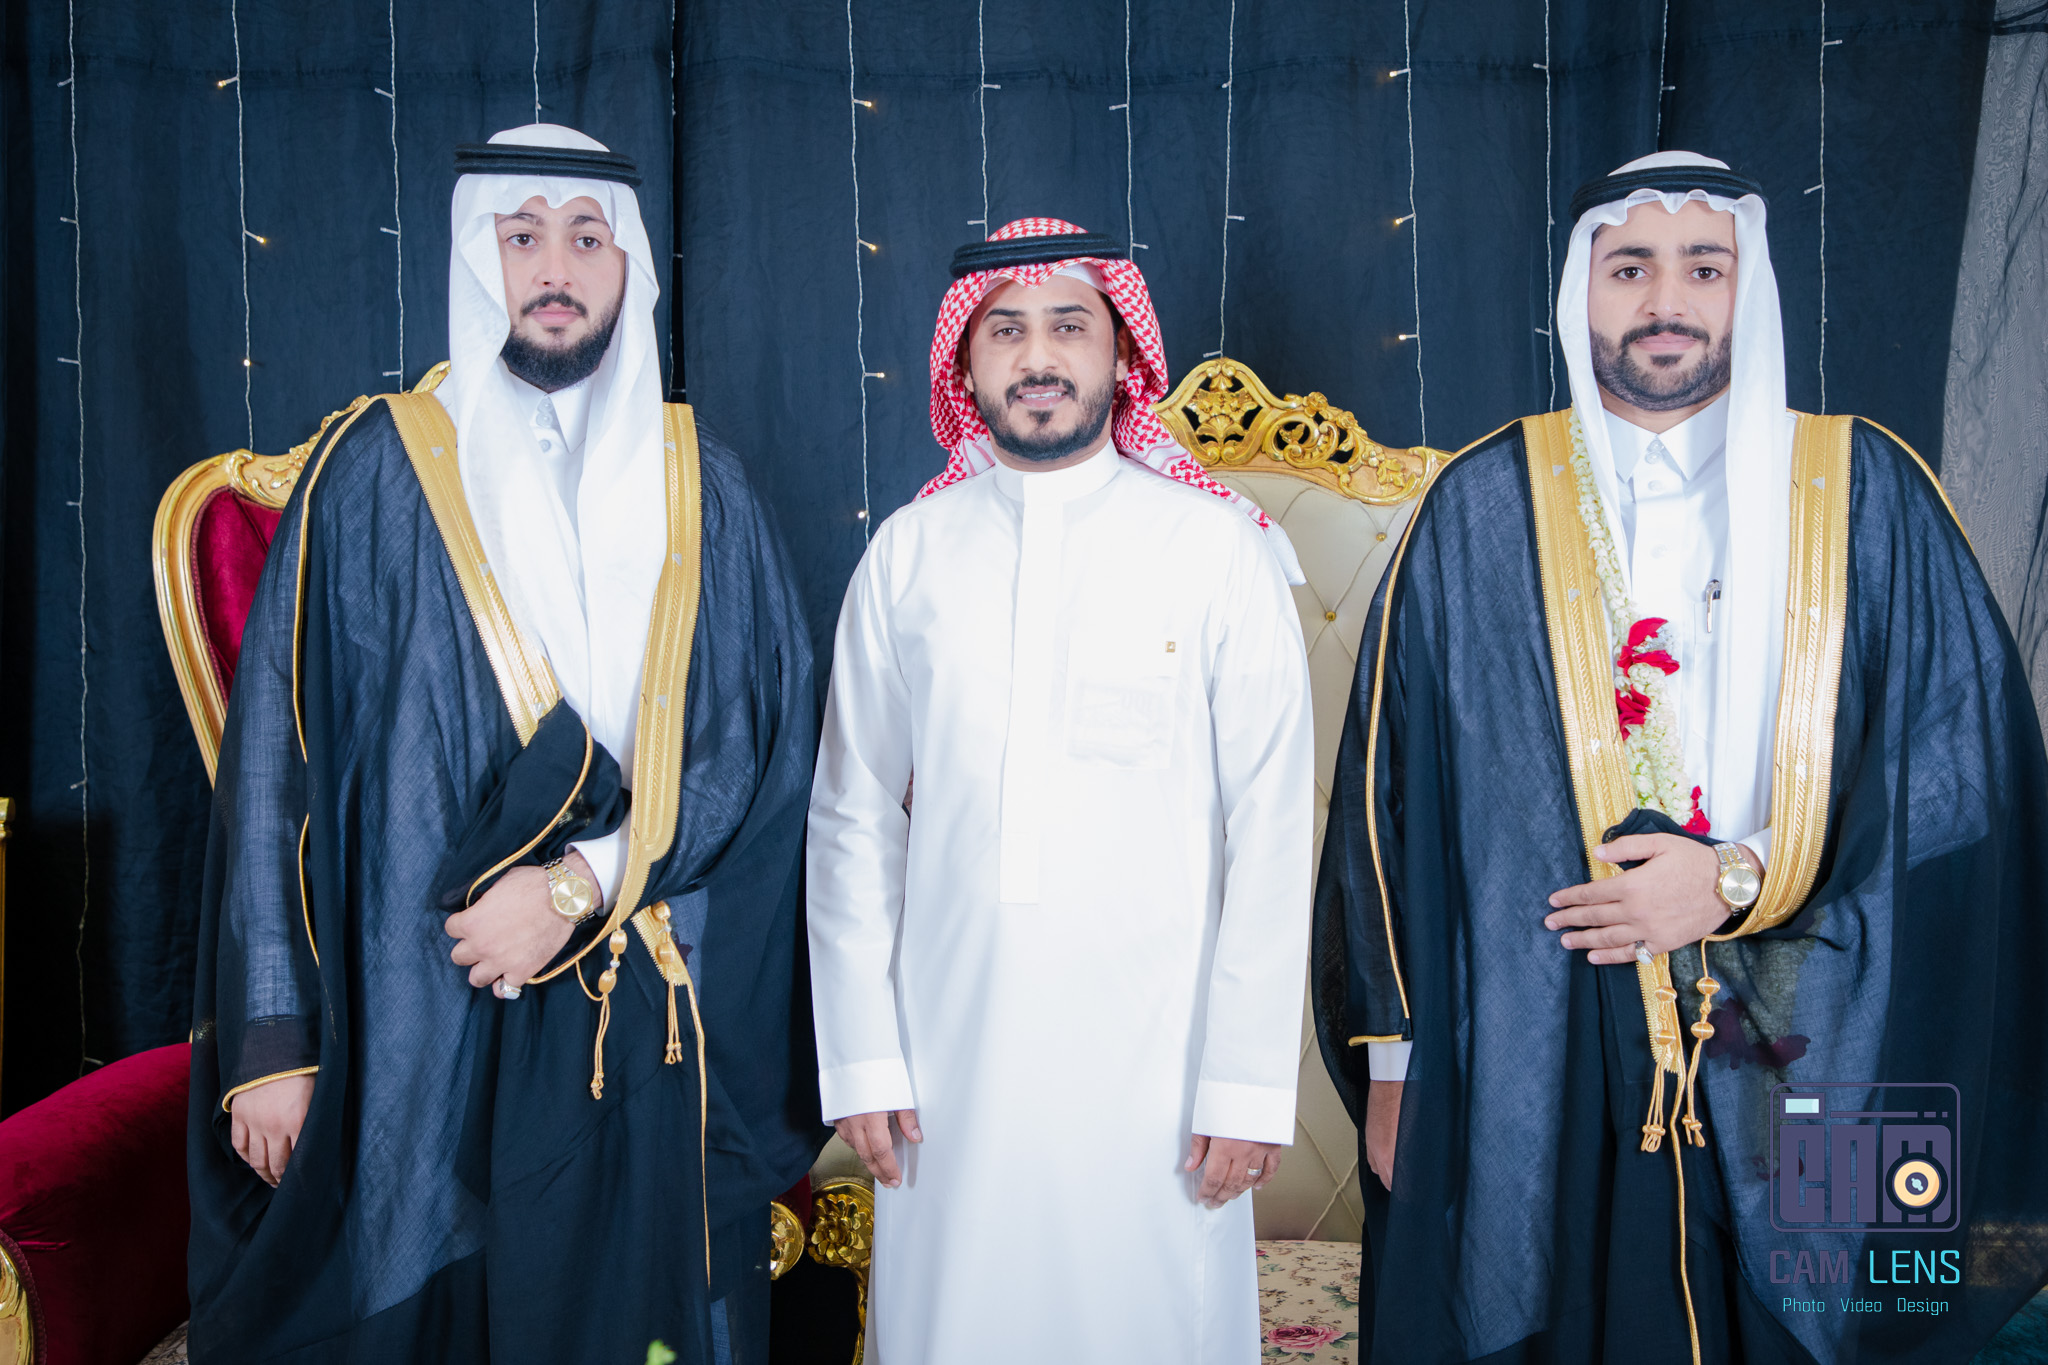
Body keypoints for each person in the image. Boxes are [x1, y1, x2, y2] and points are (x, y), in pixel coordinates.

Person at [1312, 151, 2048, 1363]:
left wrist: (1736, 877)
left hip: (1816, 1013)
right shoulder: (1481, 508)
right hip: (1546, 1022)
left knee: (1802, 1326)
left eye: (1703, 268)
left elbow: (1965, 774)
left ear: (1745, 288)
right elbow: (1383, 813)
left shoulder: (1865, 491)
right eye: (1629, 269)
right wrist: (1394, 1069)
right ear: (1580, 291)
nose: (1665, 300)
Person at [186, 125, 820, 1365]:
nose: (555, 267)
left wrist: (581, 884)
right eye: (521, 236)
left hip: (649, 992)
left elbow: (751, 753)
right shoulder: (371, 470)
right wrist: (271, 1043)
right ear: (479, 258)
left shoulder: (704, 486)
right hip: (419, 1008)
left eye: (587, 238)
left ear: (630, 266)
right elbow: (275, 766)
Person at [805, 217, 1315, 1363]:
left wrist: (1243, 1082)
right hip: (945, 1066)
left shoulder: (1213, 551)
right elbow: (850, 819)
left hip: (1162, 1073)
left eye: (1068, 326)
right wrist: (862, 1059)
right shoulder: (906, 554)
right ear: (963, 360)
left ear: (1121, 352)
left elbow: (1273, 829)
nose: (1038, 357)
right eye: (1006, 331)